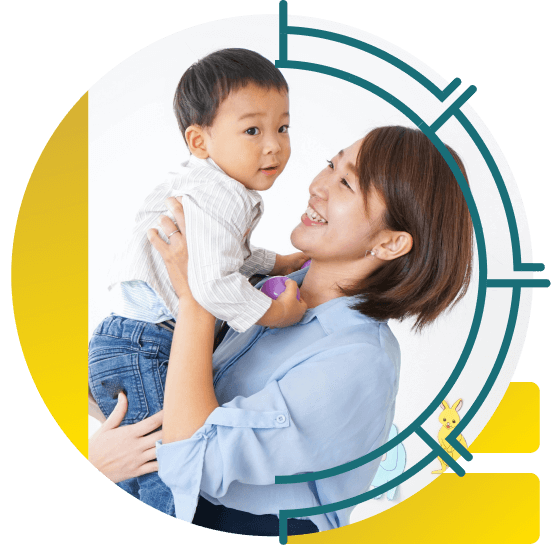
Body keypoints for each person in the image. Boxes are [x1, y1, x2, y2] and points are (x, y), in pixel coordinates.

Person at [89, 126, 474, 535]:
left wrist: (196, 296)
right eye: (331, 165)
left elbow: (192, 459)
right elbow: (148, 393)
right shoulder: (262, 295)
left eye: (346, 183)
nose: (318, 186)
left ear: (390, 243)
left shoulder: (359, 358)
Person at [88, 48, 308, 515]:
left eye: (283, 128)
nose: (274, 145)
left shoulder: (211, 185)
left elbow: (223, 257)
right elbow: (209, 286)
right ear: (199, 140)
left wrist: (276, 262)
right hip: (146, 344)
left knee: (144, 473)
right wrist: (277, 313)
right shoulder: (218, 194)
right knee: (174, 475)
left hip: (131, 340)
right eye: (252, 130)